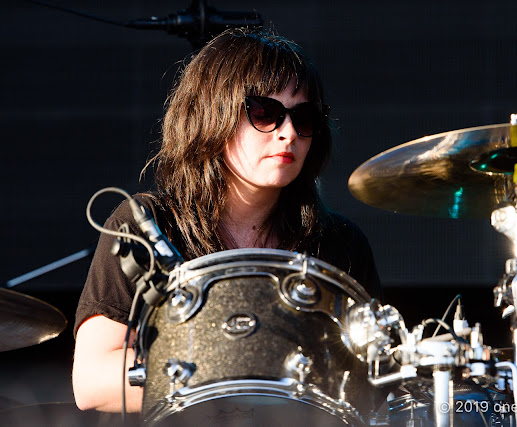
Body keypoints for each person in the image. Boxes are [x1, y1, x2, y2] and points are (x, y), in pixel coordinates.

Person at [72, 27, 381, 414]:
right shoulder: (145, 225)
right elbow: (91, 381)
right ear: (212, 114)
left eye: (304, 118)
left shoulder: (340, 243)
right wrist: (236, 370)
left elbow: (372, 386)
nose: (288, 134)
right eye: (265, 113)